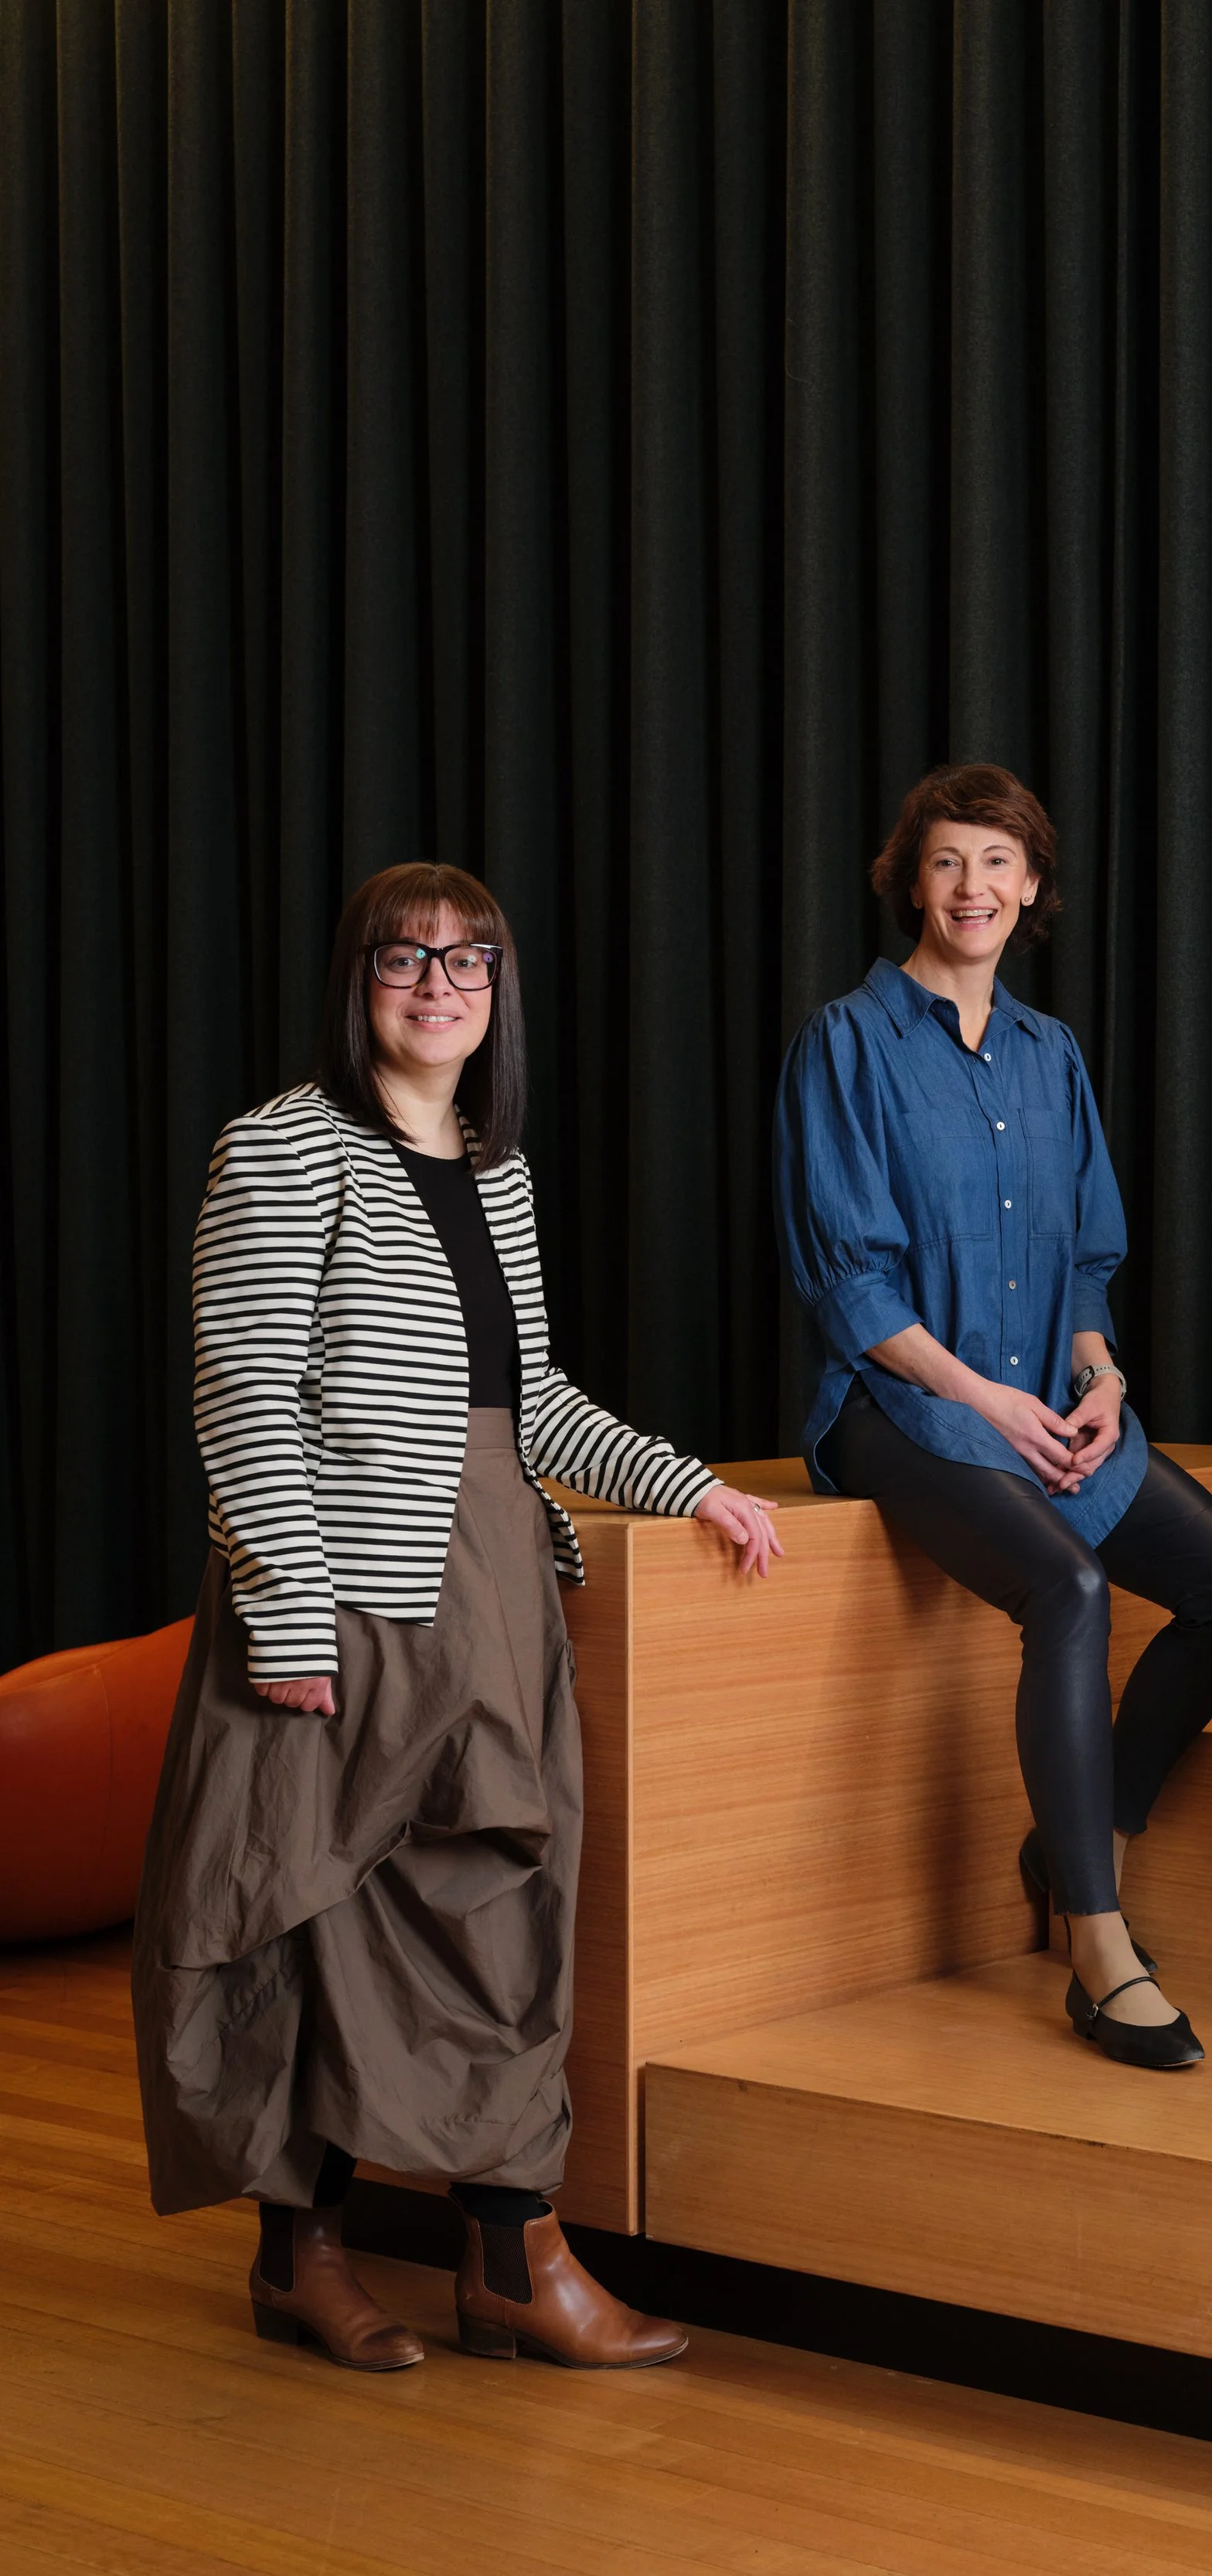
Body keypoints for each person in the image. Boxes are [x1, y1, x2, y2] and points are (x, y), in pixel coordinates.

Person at [133, 863, 781, 2373]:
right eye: (404, 957)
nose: (438, 984)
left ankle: (508, 2255)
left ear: (499, 993)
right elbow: (243, 1394)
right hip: (343, 1590)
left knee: (501, 1917)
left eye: (468, 960)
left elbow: (527, 1395)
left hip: (489, 1580)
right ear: (355, 979)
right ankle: (304, 2256)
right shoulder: (283, 1149)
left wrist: (681, 1484)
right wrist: (289, 1618)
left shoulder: (498, 1167)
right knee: (314, 1914)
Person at [774, 764, 1212, 2072]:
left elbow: (1085, 1270)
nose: (973, 888)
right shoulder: (847, 1042)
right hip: (902, 1404)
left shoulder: (1053, 1056)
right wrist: (987, 1398)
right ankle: (1100, 1951)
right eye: (948, 861)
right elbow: (852, 1286)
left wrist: (1102, 1382)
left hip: (1046, 1401)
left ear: (1034, 889)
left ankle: (1084, 1834)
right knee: (1068, 1588)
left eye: (999, 864)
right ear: (911, 881)